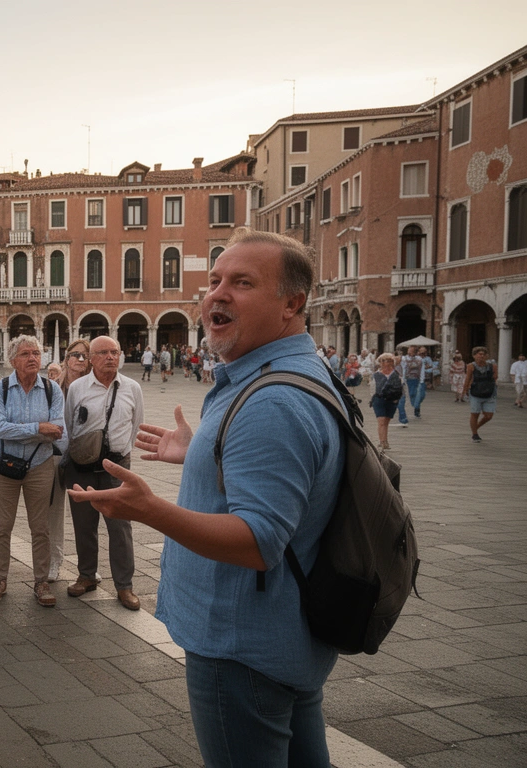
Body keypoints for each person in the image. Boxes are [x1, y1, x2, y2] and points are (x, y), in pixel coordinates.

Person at [70, 229, 344, 765]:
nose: (217, 293)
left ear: (292, 304)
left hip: (242, 645)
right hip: (282, 633)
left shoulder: (272, 400)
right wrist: (202, 452)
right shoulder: (288, 370)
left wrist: (150, 510)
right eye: (215, 280)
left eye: (242, 283)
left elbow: (258, 541)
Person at [63, 335, 144, 611]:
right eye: (103, 353)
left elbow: (136, 425)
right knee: (84, 524)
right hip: (82, 466)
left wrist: (118, 452)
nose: (110, 357)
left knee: (120, 527)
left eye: (114, 352)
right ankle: (86, 576)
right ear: (91, 358)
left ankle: (125, 586)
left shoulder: (132, 388)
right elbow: (69, 425)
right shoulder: (78, 388)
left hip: (117, 466)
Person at [0, 336, 67, 606]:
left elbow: (57, 431)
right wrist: (38, 428)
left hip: (40, 465)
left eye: (36, 353)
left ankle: (41, 581)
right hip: (3, 465)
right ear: (12, 360)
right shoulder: (0, 389)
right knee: (2, 525)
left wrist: (25, 431)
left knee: (40, 527)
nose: (32, 358)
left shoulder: (52, 390)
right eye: (25, 354)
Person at [51, 338, 92, 580]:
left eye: (85, 355)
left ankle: (88, 567)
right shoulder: (54, 387)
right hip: (56, 454)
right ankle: (54, 561)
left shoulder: (93, 387)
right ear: (66, 358)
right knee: (53, 511)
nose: (80, 359)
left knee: (85, 516)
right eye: (75, 354)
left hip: (85, 456)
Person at [464, 346, 497, 442]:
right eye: (479, 354)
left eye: (484, 354)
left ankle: (476, 427)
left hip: (489, 392)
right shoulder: (471, 366)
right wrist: (465, 390)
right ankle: (475, 434)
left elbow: (495, 377)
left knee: (489, 416)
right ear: (474, 356)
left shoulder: (492, 366)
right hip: (475, 392)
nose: (482, 356)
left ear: (487, 356)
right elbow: (468, 378)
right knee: (475, 413)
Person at [370, 353, 402, 450]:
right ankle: (382, 441)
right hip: (379, 399)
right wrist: (372, 399)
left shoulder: (396, 374)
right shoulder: (376, 375)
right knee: (381, 421)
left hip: (392, 400)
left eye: (388, 361)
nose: (385, 363)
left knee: (386, 421)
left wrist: (398, 399)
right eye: (383, 361)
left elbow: (401, 387)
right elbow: (372, 388)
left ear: (392, 362)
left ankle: (385, 440)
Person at [403, 346, 429, 419]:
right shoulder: (405, 359)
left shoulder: (419, 359)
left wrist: (422, 379)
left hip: (417, 379)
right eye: (408, 350)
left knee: (420, 395)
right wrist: (403, 379)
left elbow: (422, 369)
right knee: (412, 394)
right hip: (409, 380)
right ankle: (415, 408)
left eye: (410, 350)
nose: (409, 352)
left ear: (414, 352)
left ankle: (417, 408)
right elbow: (404, 369)